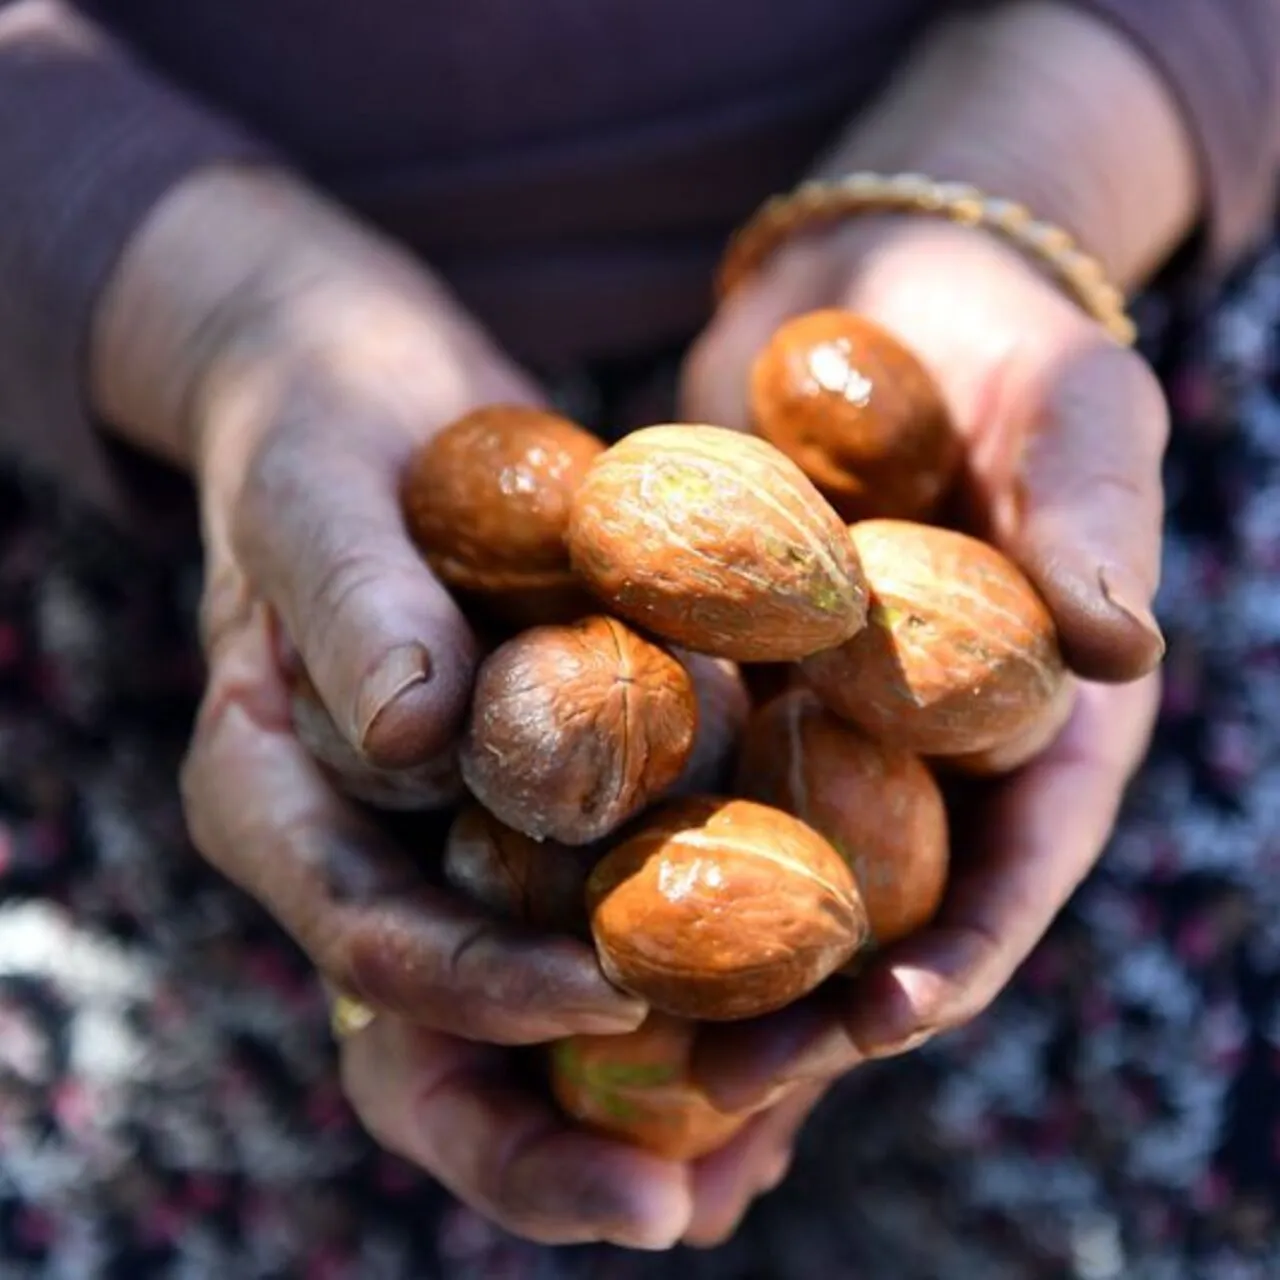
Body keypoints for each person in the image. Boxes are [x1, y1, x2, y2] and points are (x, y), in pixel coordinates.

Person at [0, 0, 1277, 1271]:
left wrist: (1033, 154)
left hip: (1035, 320)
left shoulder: (805, 603)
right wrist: (221, 315)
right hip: (188, 455)